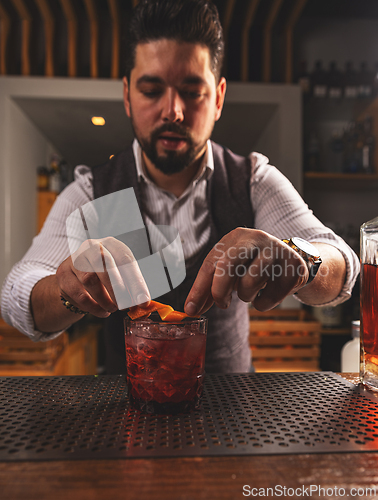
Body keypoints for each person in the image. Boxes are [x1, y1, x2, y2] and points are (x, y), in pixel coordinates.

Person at [1, 0, 359, 374]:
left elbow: (343, 264)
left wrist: (299, 258)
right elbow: (16, 294)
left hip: (232, 417)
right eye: (152, 90)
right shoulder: (94, 192)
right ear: (127, 95)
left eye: (192, 91)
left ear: (218, 98)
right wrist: (65, 288)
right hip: (124, 419)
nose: (173, 110)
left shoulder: (251, 180)